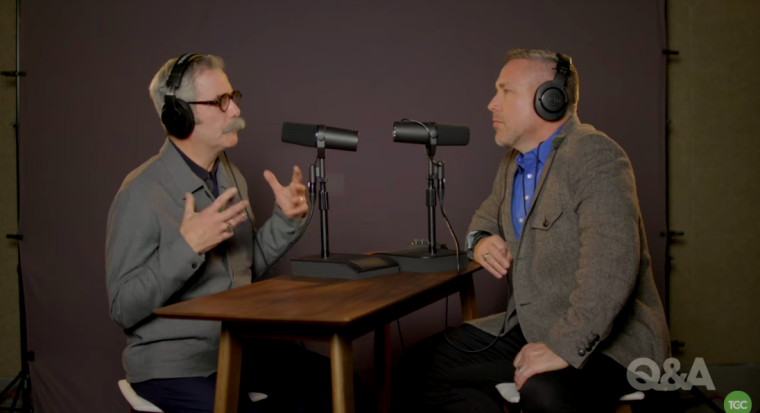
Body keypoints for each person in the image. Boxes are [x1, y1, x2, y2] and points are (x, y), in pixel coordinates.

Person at [392, 49, 673, 413]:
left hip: (610, 343)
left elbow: (611, 267)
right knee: (416, 368)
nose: (492, 104)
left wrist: (562, 346)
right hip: (530, 326)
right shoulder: (512, 164)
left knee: (544, 394)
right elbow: (482, 220)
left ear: (549, 99)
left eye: (505, 91)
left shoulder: (595, 155)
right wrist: (481, 241)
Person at [106, 54, 335, 413]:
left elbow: (244, 271)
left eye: (234, 96)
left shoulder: (231, 176)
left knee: (334, 383)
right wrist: (188, 248)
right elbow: (122, 306)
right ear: (179, 115)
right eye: (220, 101)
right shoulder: (141, 192)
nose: (236, 111)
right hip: (175, 367)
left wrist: (285, 219)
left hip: (234, 350)